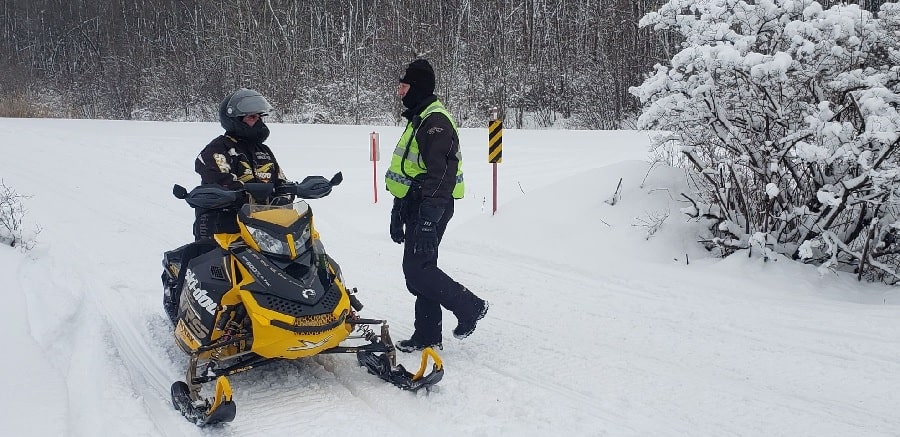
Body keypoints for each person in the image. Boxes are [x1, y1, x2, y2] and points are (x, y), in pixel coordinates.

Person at [385, 58, 488, 353]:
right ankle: (427, 334)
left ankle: (470, 306)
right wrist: (397, 212)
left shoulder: (436, 122)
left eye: (403, 86)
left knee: (418, 269)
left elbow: (442, 174)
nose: (399, 92)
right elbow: (408, 171)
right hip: (416, 203)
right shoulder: (420, 118)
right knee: (419, 270)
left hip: (432, 205)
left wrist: (429, 218)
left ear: (416, 88)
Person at [193, 88, 290, 240]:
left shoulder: (263, 151)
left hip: (262, 228)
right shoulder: (218, 149)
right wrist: (242, 194)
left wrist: (287, 193)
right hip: (224, 228)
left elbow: (280, 180)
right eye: (252, 117)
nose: (258, 122)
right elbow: (220, 180)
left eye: (259, 117)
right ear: (236, 120)